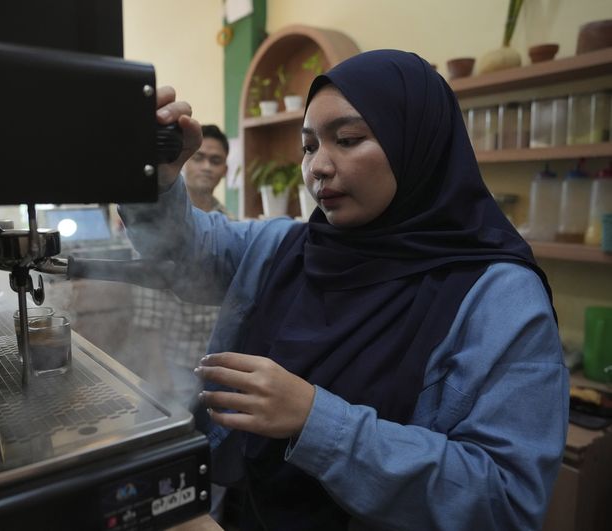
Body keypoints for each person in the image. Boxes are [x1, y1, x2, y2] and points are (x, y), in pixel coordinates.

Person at [119, 50, 568, 531]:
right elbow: (186, 251)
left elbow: (506, 502)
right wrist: (158, 180)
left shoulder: (499, 298)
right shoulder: (290, 246)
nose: (318, 168)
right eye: (309, 146)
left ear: (416, 142)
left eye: (349, 139)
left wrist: (317, 421)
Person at [128, 124, 234, 409]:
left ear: (225, 169)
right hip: (173, 365)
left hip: (217, 365)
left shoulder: (232, 225)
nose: (206, 167)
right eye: (199, 158)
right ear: (186, 162)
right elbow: (147, 312)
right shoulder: (161, 224)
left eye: (216, 160)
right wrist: (157, 374)